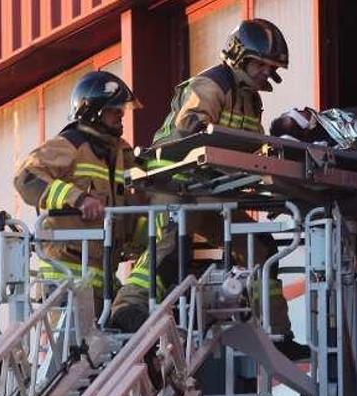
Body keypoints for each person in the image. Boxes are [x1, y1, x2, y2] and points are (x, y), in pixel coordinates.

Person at [110, 19, 309, 361]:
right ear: (239, 58)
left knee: (260, 247)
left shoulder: (251, 101)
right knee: (172, 245)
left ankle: (277, 334)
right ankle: (127, 310)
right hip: (176, 186)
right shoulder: (211, 85)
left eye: (271, 67)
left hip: (212, 192)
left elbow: (244, 150)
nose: (265, 73)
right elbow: (191, 131)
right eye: (261, 64)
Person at [13, 70, 140, 304]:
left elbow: (142, 187)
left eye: (122, 110)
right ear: (94, 111)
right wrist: (79, 199)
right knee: (72, 342)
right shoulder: (71, 143)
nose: (121, 115)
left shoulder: (121, 152)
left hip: (104, 279)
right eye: (114, 110)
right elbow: (26, 177)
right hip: (65, 279)